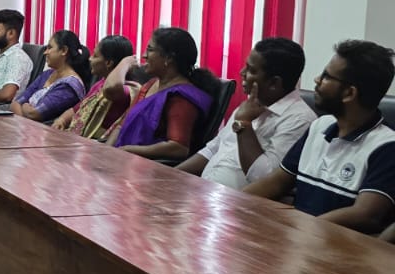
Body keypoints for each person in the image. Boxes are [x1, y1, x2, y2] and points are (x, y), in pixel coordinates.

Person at [245, 40, 395, 230]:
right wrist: (233, 203)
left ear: (349, 93)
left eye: (326, 77)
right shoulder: (320, 126)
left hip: (336, 243)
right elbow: (277, 182)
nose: (316, 80)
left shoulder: (386, 146)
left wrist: (306, 229)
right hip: (296, 236)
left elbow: (365, 214)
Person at [175, 37, 316, 190]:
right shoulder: (252, 104)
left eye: (251, 70)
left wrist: (244, 124)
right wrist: (172, 175)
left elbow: (264, 178)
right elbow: (212, 149)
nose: (242, 72)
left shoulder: (299, 120)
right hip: (205, 191)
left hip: (239, 201)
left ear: (274, 83)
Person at [106, 27, 213, 159]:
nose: (144, 55)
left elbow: (178, 148)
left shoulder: (181, 97)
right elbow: (121, 126)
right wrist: (106, 151)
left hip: (142, 165)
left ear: (169, 58)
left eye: (150, 50)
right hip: (119, 157)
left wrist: (127, 150)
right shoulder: (150, 85)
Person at [55, 35, 136, 139]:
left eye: (95, 56)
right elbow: (77, 109)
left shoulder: (127, 90)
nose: (90, 59)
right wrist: (61, 120)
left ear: (108, 63)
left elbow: (111, 87)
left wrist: (125, 62)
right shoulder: (100, 83)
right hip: (76, 139)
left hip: (95, 144)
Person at [10, 30, 90, 123]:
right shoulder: (47, 74)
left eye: (49, 48)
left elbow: (33, 114)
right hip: (25, 126)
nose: (45, 52)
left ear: (64, 50)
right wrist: (21, 122)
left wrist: (24, 106)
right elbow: (16, 103)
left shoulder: (69, 86)